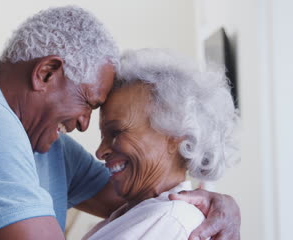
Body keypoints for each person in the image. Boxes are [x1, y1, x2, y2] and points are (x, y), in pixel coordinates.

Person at [0, 6, 241, 240]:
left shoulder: (44, 146)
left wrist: (216, 204)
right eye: (88, 103)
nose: (83, 125)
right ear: (46, 73)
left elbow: (147, 195)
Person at [82, 49, 239, 239]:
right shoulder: (137, 215)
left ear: (176, 135)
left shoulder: (171, 221)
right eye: (103, 136)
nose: (100, 151)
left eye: (116, 132)